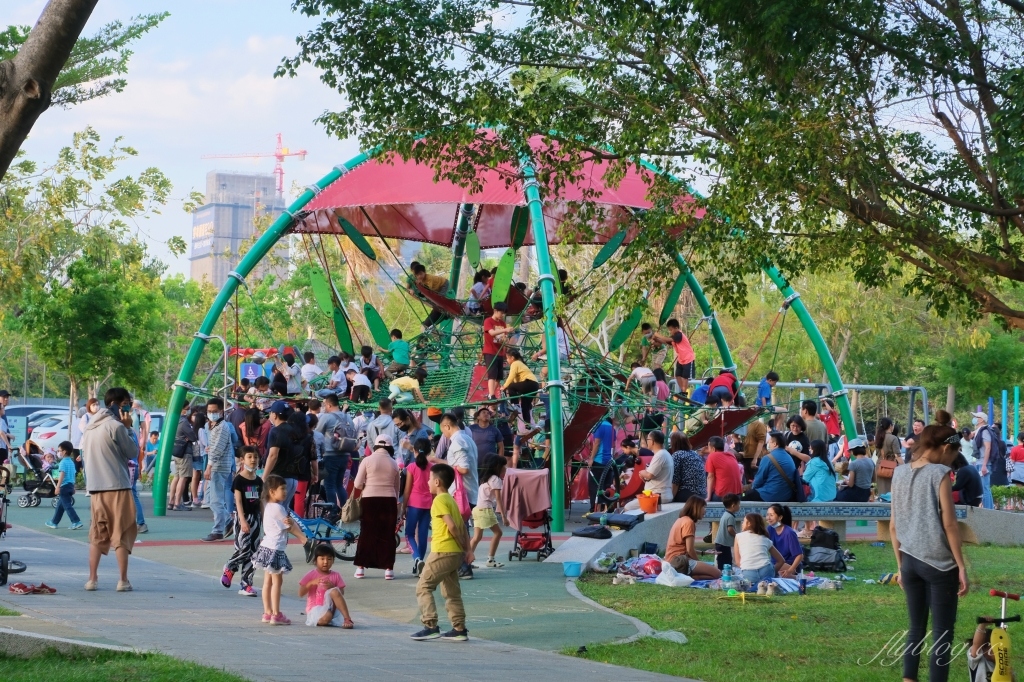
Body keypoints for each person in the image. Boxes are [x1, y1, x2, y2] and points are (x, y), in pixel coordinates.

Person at [890, 409, 968, 682]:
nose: (953, 461)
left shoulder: (899, 473)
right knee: (943, 632)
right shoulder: (940, 473)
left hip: (909, 561)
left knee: (915, 628)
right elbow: (949, 524)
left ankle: (908, 679)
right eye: (954, 455)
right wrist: (961, 566)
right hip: (938, 563)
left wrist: (900, 566)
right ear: (946, 448)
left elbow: (892, 526)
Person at [81, 387, 139, 592]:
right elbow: (132, 452)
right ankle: (123, 580)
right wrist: (129, 428)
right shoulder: (116, 426)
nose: (129, 407)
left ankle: (92, 579)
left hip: (95, 488)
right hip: (118, 486)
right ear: (117, 404)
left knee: (97, 534)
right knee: (121, 532)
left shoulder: (89, 428)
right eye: (127, 403)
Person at [411, 463, 473, 642]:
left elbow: (453, 527)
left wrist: (462, 545)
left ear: (437, 482)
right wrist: (466, 550)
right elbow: (462, 526)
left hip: (442, 551)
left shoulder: (439, 501)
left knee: (423, 586)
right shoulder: (452, 500)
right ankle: (459, 628)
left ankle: (430, 625)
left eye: (430, 479)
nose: (428, 482)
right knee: (451, 592)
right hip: (454, 555)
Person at [253, 474, 307, 625]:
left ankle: (267, 612)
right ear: (272, 491)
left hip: (266, 547)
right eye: (282, 489)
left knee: (267, 582)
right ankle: (276, 614)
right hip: (276, 548)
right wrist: (303, 538)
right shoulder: (279, 508)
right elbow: (289, 527)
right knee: (277, 582)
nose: (285, 491)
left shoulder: (267, 506)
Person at [353, 434, 401, 580]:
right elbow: (397, 488)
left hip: (369, 500)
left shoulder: (367, 460)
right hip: (389, 501)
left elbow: (357, 484)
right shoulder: (393, 464)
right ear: (390, 447)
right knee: (387, 535)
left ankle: (361, 568)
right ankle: (388, 570)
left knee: (367, 533)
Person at [440, 413, 478, 580]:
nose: (444, 435)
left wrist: (443, 464)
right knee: (462, 529)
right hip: (468, 491)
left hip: (461, 493)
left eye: (443, 431)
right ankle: (462, 565)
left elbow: (463, 468)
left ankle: (463, 566)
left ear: (447, 426)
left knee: (459, 530)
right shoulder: (468, 439)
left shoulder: (458, 441)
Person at [221, 447, 263, 597]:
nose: (253, 459)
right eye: (249, 457)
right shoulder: (239, 479)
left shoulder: (258, 480)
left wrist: (263, 521)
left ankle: (246, 585)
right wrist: (242, 520)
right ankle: (230, 566)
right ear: (242, 460)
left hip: (256, 518)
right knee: (244, 549)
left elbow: (261, 502)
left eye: (255, 457)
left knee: (254, 552)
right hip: (243, 517)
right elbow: (238, 501)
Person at [664, 496, 722, 580]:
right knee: (717, 573)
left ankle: (688, 576)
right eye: (703, 507)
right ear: (696, 508)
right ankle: (686, 576)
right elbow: (689, 550)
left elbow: (684, 548)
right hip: (679, 562)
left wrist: (704, 553)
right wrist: (699, 562)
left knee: (713, 572)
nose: (705, 511)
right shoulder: (689, 522)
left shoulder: (681, 519)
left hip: (673, 560)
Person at [315, 394, 356, 514]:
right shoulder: (348, 417)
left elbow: (317, 434)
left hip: (330, 454)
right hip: (345, 455)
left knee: (329, 485)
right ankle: (344, 511)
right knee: (339, 484)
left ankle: (333, 513)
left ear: (329, 404)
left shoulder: (327, 417)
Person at [201, 397, 235, 542]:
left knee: (215, 500)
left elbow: (217, 449)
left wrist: (209, 466)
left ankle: (219, 529)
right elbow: (215, 447)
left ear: (221, 411)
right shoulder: (214, 426)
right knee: (213, 498)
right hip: (218, 465)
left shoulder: (222, 427)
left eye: (214, 411)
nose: (211, 414)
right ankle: (227, 522)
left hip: (219, 466)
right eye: (209, 411)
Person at [299, 544, 354, 628]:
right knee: (326, 617)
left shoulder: (336, 575)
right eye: (322, 559)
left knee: (335, 591)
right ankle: (322, 619)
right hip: (315, 609)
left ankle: (347, 618)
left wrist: (332, 586)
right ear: (315, 560)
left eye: (329, 559)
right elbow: (300, 593)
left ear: (333, 561)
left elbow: (341, 593)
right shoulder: (311, 575)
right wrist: (311, 583)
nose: (325, 562)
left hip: (332, 609)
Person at [402, 437, 434, 576]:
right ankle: (420, 562)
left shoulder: (411, 467)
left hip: (414, 504)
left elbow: (407, 490)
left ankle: (416, 558)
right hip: (428, 505)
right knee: (422, 536)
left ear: (414, 450)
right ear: (429, 451)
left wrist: (403, 507)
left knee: (409, 534)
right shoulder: (432, 468)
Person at [470, 456, 506, 569]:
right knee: (498, 533)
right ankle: (491, 559)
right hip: (485, 510)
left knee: (476, 537)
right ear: (498, 467)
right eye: (503, 466)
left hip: (477, 509)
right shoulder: (496, 479)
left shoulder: (486, 478)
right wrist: (504, 517)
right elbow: (498, 499)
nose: (505, 469)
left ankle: (466, 561)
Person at [733, 513, 786, 584]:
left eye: (744, 521)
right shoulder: (765, 539)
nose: (742, 523)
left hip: (749, 575)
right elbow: (781, 560)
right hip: (767, 572)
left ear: (749, 523)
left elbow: (738, 562)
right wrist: (773, 572)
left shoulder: (738, 536)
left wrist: (748, 568)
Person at [625, 430, 673, 508]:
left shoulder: (660, 455)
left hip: (657, 495)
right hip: (661, 494)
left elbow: (649, 475)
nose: (647, 442)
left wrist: (641, 472)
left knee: (628, 507)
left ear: (652, 442)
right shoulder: (665, 453)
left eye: (648, 439)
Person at [744, 431, 797, 502]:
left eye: (769, 442)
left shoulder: (768, 458)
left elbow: (758, 482)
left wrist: (750, 488)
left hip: (770, 495)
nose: (768, 444)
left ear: (775, 444)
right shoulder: (789, 457)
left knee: (745, 496)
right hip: (787, 495)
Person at [652, 319, 695, 395]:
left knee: (685, 377)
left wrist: (657, 335)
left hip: (688, 358)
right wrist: (656, 338)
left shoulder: (679, 335)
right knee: (677, 375)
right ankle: (682, 390)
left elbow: (667, 339)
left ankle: (684, 391)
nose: (670, 331)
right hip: (681, 359)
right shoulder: (674, 337)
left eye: (671, 330)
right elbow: (666, 342)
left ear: (676, 328)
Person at [46, 441, 83, 530]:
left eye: (59, 450)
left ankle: (76, 521)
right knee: (60, 505)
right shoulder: (71, 462)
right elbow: (73, 474)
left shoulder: (63, 462)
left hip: (64, 486)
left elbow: (62, 474)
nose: (58, 453)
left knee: (67, 505)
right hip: (70, 485)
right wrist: (73, 486)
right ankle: (54, 522)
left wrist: (58, 486)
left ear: (64, 451)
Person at [482, 303, 513, 400]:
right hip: (490, 351)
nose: (502, 315)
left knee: (499, 376)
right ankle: (491, 394)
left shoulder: (502, 323)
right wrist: (505, 330)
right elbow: (491, 333)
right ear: (495, 311)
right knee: (492, 374)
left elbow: (503, 338)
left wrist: (507, 337)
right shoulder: (488, 321)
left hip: (500, 352)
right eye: (501, 313)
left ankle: (492, 393)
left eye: (504, 313)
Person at [588, 415, 617, 512]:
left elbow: (597, 443)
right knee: (606, 486)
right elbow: (614, 445)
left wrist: (591, 458)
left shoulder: (599, 425)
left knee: (594, 486)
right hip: (608, 461)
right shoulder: (612, 428)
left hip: (598, 460)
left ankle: (595, 509)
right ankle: (607, 509)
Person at [503, 349, 540, 423]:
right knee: (525, 406)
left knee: (510, 386)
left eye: (507, 358)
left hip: (529, 382)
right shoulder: (520, 364)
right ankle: (527, 423)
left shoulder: (515, 363)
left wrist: (504, 386)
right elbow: (517, 383)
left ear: (512, 358)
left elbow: (511, 377)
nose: (506, 360)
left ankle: (515, 405)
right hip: (534, 385)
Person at [765, 504, 803, 578]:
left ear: (780, 517)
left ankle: (797, 577)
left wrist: (790, 570)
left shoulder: (789, 533)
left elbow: (799, 555)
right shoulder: (769, 529)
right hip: (775, 564)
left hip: (790, 566)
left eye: (771, 515)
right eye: (767, 515)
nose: (768, 518)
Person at [668, 433, 706, 502]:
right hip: (702, 494)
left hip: (688, 494)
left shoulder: (677, 455)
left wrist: (671, 498)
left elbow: (675, 481)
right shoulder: (695, 454)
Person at [705, 436, 743, 502]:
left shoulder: (712, 456)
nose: (708, 450)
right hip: (738, 494)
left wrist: (708, 497)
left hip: (723, 495)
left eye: (708, 448)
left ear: (713, 449)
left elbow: (710, 477)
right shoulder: (731, 455)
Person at [873, 417, 903, 497]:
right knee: (891, 494)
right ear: (890, 426)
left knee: (882, 493)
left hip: (880, 466)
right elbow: (897, 456)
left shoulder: (878, 437)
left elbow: (877, 453)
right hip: (890, 467)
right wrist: (905, 466)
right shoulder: (893, 438)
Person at [714, 493, 741, 570]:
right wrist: (737, 535)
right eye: (738, 504)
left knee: (722, 560)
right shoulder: (730, 517)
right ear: (733, 505)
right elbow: (730, 529)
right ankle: (723, 574)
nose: (739, 506)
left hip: (720, 543)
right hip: (723, 544)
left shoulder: (725, 514)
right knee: (726, 561)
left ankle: (721, 572)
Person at [742, 418, 768, 483]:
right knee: (748, 481)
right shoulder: (745, 424)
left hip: (755, 458)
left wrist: (755, 458)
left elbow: (761, 442)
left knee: (755, 481)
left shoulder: (759, 425)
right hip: (746, 457)